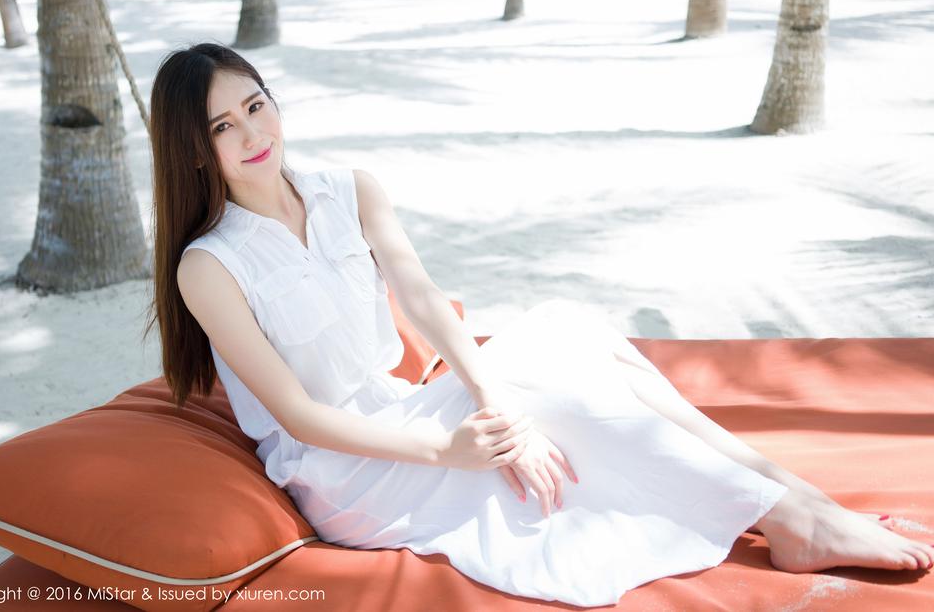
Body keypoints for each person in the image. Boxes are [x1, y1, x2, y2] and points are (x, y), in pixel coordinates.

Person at [146, 42, 934, 607]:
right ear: (195, 151)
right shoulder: (209, 266)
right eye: (223, 127)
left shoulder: (347, 189)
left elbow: (422, 298)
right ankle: (788, 516)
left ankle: (794, 496)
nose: (253, 135)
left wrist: (492, 401)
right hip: (347, 470)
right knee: (564, 390)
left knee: (571, 333)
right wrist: (450, 449)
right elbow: (297, 416)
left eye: (256, 106)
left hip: (400, 406)